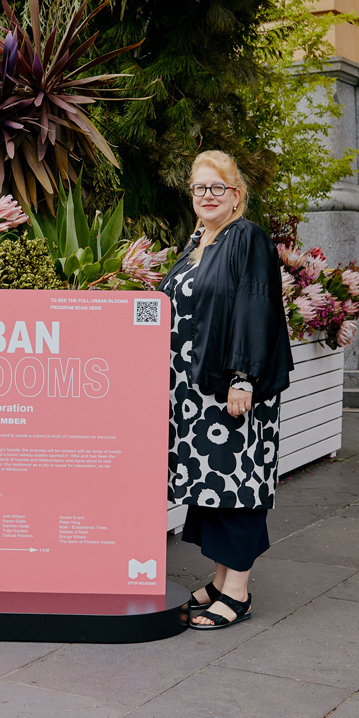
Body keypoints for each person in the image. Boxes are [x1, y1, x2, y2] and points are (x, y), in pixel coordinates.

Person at [160, 150, 293, 630]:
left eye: (218, 187)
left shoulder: (246, 237)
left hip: (230, 390)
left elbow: (255, 307)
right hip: (195, 395)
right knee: (211, 484)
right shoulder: (199, 243)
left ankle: (237, 592)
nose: (208, 195)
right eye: (200, 188)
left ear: (236, 195)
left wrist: (243, 379)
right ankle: (220, 582)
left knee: (238, 482)